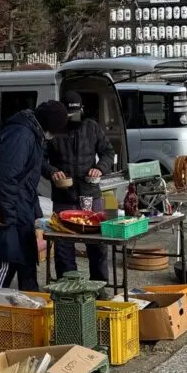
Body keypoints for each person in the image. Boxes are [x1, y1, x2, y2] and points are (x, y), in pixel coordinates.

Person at [0, 100, 71, 291]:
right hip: (9, 208)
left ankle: (30, 303)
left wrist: (36, 214)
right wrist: (9, 216)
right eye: (56, 130)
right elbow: (5, 176)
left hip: (22, 206)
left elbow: (30, 173)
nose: (54, 136)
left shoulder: (33, 133)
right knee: (10, 259)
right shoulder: (22, 135)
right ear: (49, 125)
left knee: (27, 258)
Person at [44, 92, 116, 286]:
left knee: (98, 244)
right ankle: (68, 288)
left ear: (81, 111)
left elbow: (109, 152)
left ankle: (100, 286)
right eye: (68, 114)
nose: (71, 118)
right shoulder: (52, 132)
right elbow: (39, 159)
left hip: (91, 196)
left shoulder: (92, 127)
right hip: (63, 197)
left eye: (75, 113)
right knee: (63, 246)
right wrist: (52, 172)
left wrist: (99, 168)